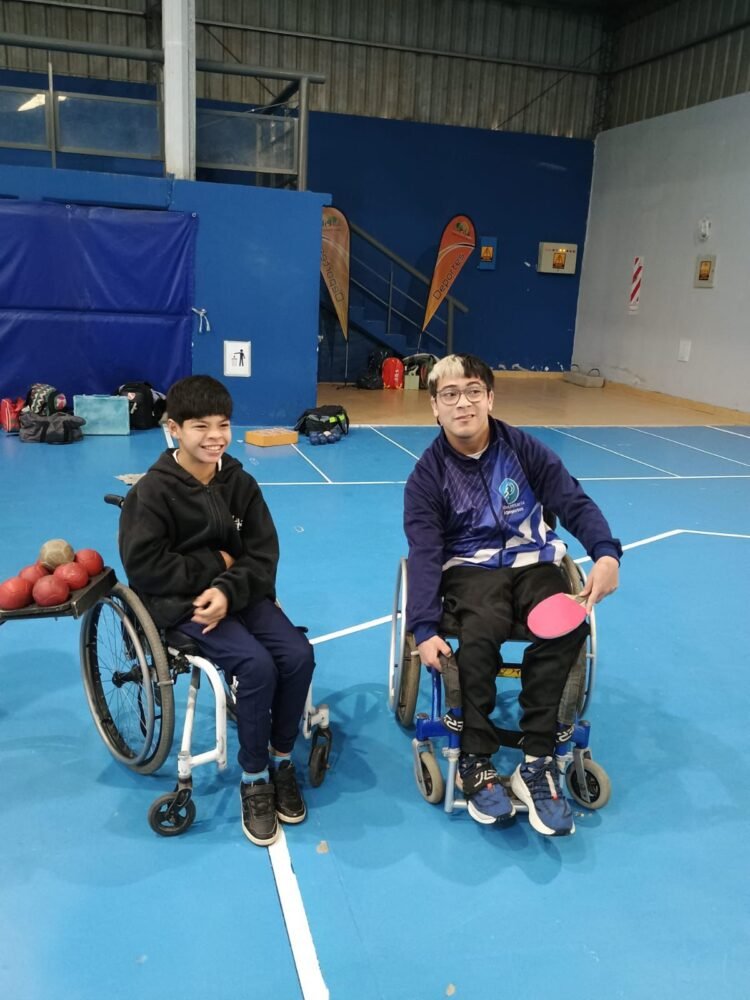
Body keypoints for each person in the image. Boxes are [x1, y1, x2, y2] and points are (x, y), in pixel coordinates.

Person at [403, 354, 621, 837]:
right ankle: (477, 761)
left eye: (473, 391)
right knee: (481, 633)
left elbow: (572, 500)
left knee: (568, 623)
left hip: (533, 564)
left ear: (490, 398)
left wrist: (606, 554)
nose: (464, 403)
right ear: (435, 408)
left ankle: (536, 761)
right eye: (450, 395)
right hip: (470, 572)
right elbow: (423, 552)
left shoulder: (525, 450)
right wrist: (423, 626)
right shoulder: (426, 478)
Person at [119, 375, 315, 847]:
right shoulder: (152, 493)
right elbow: (145, 567)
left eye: (223, 425)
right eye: (199, 426)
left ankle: (281, 758)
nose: (214, 436)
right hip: (182, 606)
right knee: (256, 665)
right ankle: (254, 779)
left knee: (297, 655)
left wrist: (229, 586)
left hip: (240, 594)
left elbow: (263, 554)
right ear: (173, 429)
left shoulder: (239, 483)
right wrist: (214, 565)